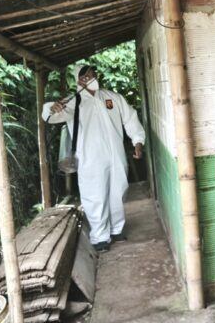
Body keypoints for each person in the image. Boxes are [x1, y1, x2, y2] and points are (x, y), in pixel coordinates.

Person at [43, 64, 145, 252]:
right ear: (78, 80)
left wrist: (138, 141)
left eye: (92, 73)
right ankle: (100, 237)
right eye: (85, 76)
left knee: (118, 191)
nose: (90, 77)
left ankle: (116, 229)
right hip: (91, 159)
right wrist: (53, 107)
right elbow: (49, 116)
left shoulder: (112, 98)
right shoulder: (72, 103)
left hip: (116, 156)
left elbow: (130, 119)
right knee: (95, 195)